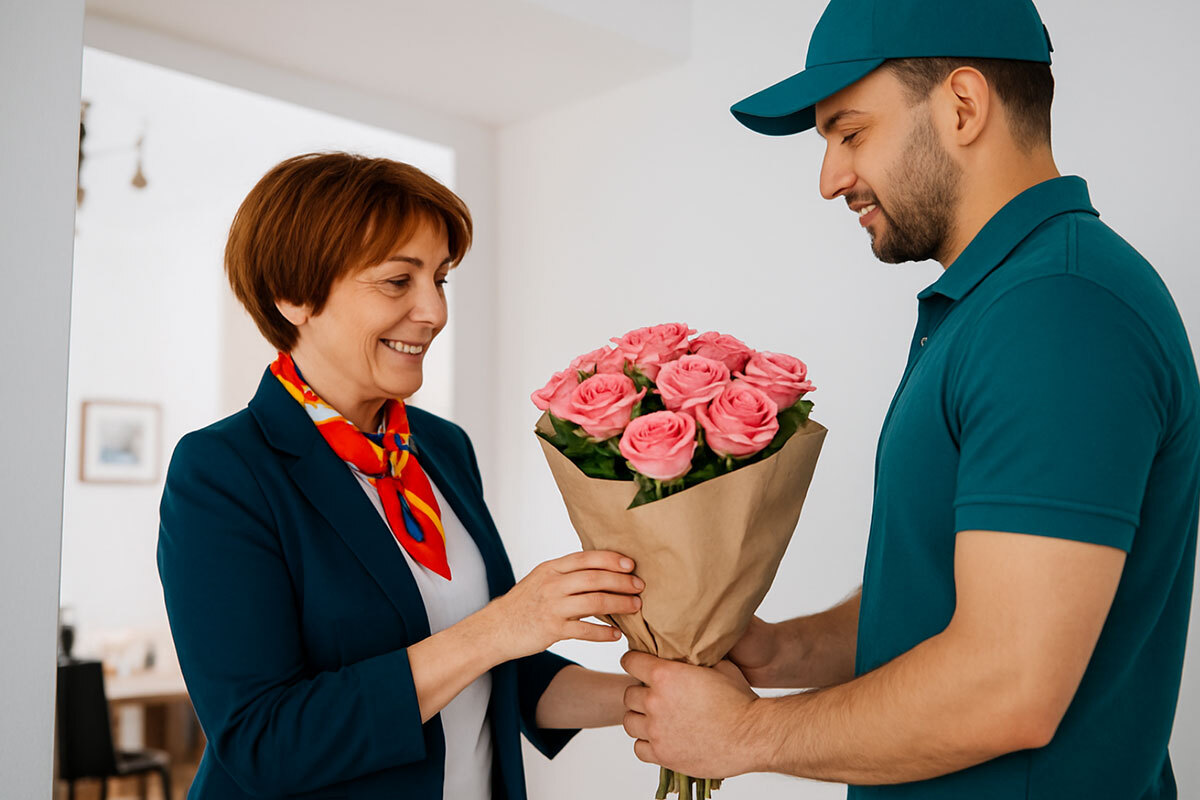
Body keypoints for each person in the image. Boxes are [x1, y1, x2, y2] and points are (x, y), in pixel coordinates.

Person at [619, 1, 1200, 798]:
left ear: (963, 106)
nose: (829, 181)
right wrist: (780, 651)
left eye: (850, 133)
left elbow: (1007, 683)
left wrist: (742, 735)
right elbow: (951, 598)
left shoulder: (1057, 310)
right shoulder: (998, 304)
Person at [158, 152, 642, 799]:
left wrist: (650, 696)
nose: (434, 311)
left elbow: (499, 673)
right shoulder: (222, 470)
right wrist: (501, 625)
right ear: (293, 295)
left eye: (440, 280)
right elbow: (262, 740)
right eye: (397, 281)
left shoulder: (441, 447)